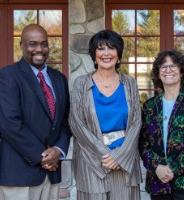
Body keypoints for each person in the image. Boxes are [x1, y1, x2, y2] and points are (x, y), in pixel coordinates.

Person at [0, 24, 72, 200]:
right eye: (33, 44)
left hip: (51, 176)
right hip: (18, 175)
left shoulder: (59, 79)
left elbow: (66, 122)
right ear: (21, 45)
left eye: (44, 44)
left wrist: (58, 150)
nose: (39, 49)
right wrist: (44, 157)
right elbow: (9, 124)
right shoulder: (7, 76)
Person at [69, 29, 142, 200]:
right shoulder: (81, 83)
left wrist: (119, 156)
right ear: (94, 54)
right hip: (92, 162)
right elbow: (76, 123)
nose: (106, 53)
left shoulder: (130, 83)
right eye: (101, 48)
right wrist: (105, 154)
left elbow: (136, 122)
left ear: (119, 54)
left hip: (124, 162)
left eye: (111, 48)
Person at [139, 50, 184, 200]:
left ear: (182, 72)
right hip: (158, 184)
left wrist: (172, 169)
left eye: (173, 66)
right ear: (158, 73)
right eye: (163, 67)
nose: (168, 70)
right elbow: (143, 143)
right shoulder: (150, 106)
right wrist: (157, 167)